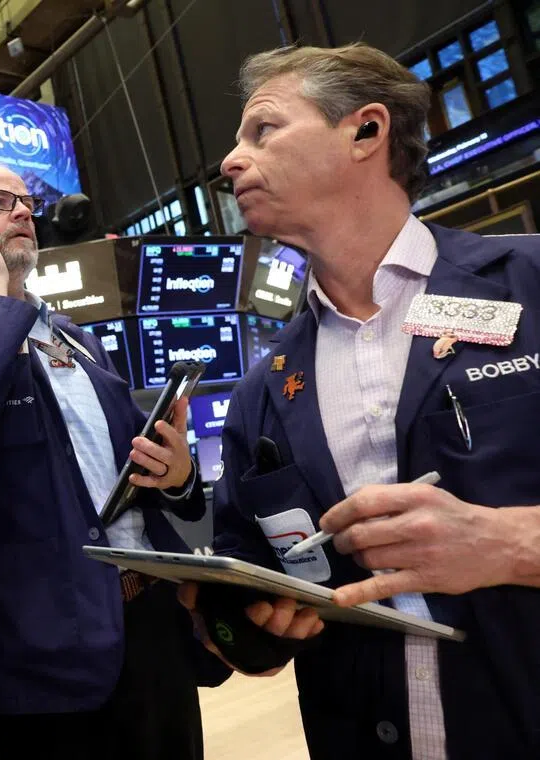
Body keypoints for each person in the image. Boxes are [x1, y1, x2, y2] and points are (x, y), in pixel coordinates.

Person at [179, 43, 540, 759]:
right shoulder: (264, 388)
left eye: (263, 130)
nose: (230, 160)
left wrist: (513, 545)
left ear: (366, 131)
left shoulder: (529, 286)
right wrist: (243, 619)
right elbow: (250, 595)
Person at [0, 162, 224, 760]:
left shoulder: (74, 338)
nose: (23, 212)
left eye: (26, 202)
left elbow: (131, 470)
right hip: (36, 652)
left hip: (147, 630)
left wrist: (177, 476)